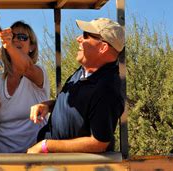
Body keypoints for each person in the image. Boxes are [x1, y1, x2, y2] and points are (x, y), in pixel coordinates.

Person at [28, 18, 125, 154]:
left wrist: (46, 146)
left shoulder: (107, 88)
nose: (78, 38)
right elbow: (79, 105)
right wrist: (48, 105)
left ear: (103, 47)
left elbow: (99, 142)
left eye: (86, 35)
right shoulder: (84, 71)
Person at [0, 21, 50, 153]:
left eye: (22, 37)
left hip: (32, 158)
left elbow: (26, 67)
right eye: (12, 36)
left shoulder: (38, 73)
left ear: (31, 46)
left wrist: (9, 45)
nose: (16, 40)